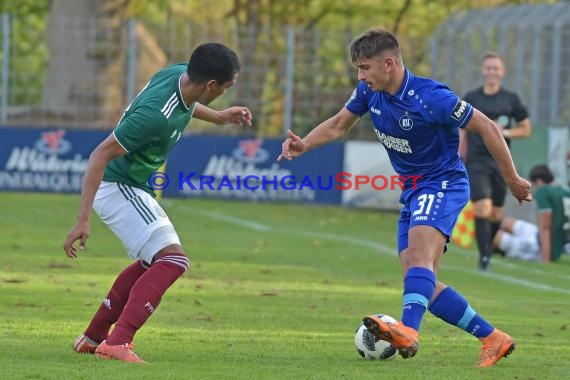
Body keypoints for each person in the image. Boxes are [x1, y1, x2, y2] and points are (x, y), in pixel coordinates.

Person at [278, 28, 531, 367]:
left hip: (442, 183)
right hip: (413, 189)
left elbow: (487, 126)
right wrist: (305, 143)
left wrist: (512, 179)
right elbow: (339, 125)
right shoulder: (370, 92)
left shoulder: (432, 97)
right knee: (421, 278)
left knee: (418, 258)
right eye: (358, 69)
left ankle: (408, 331)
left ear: (389, 63)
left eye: (365, 68)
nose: (360, 75)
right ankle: (492, 338)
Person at [63, 42, 252, 363]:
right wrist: (82, 219)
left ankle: (94, 337)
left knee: (156, 261)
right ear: (211, 84)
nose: (226, 92)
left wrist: (219, 117)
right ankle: (117, 342)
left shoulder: (180, 74)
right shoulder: (154, 117)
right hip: (116, 184)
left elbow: (188, 104)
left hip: (130, 184)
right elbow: (99, 155)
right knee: (173, 261)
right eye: (227, 87)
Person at [460, 52, 532, 271]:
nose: (491, 72)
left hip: (500, 161)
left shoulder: (511, 99)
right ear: (483, 71)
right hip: (477, 160)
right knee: (482, 206)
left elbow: (526, 128)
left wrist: (505, 132)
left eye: (495, 68)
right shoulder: (471, 97)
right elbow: (462, 128)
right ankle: (484, 257)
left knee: (496, 213)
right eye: (488, 68)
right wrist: (460, 153)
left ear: (502, 72)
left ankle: (488, 247)